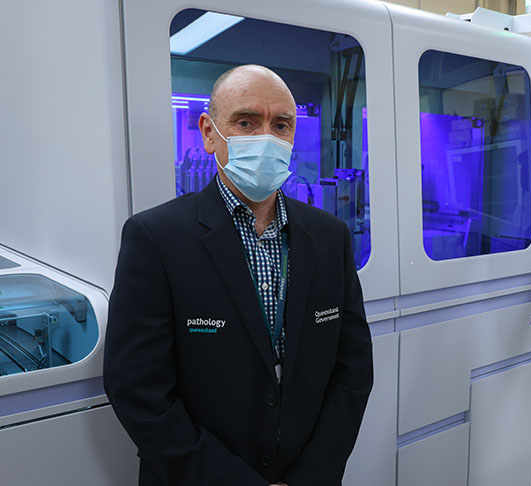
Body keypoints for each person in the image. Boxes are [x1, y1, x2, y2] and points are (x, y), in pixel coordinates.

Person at [104, 64, 373, 486]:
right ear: (210, 133)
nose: (265, 137)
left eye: (280, 124)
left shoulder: (328, 236)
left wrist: (313, 474)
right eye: (246, 122)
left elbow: (353, 369)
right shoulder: (156, 239)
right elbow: (138, 389)